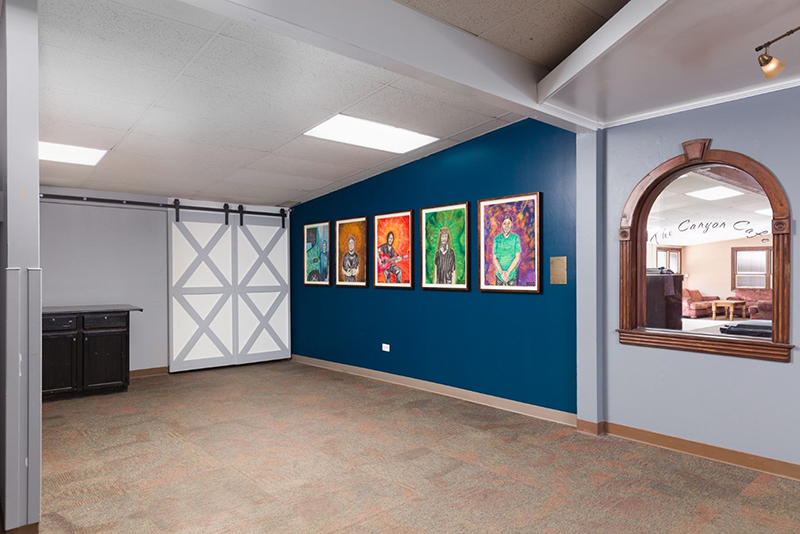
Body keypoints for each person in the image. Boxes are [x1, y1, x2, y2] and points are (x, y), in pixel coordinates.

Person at [492, 215, 521, 285]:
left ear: (512, 225)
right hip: (499, 276)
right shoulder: (497, 239)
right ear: (502, 225)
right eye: (504, 223)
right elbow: (494, 258)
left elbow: (517, 258)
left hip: (511, 276)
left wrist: (507, 272)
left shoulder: (515, 238)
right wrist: (502, 273)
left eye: (509, 223)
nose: (506, 225)